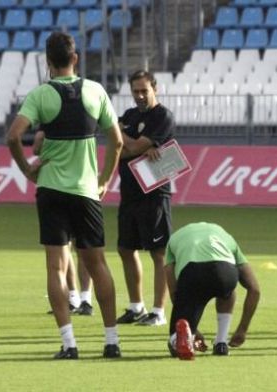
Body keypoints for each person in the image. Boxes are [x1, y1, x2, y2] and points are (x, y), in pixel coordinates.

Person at [7, 31, 123, 359]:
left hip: (52, 191)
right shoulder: (95, 91)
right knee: (98, 264)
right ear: (75, 58)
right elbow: (116, 142)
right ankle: (111, 340)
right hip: (86, 191)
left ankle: (69, 343)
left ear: (47, 62)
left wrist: (28, 170)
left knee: (57, 268)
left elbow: (13, 137)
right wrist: (104, 179)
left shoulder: (41, 95)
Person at [115, 71, 173, 326]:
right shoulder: (130, 116)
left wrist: (123, 137)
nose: (139, 95)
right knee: (126, 248)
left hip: (154, 192)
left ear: (155, 89)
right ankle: (136, 306)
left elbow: (132, 147)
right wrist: (131, 144)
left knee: (158, 252)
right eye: (135, 91)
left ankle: (159, 311)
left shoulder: (162, 116)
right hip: (129, 191)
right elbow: (121, 149)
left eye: (144, 90)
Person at [164, 222, 261, 360]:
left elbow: (174, 291)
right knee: (228, 291)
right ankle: (221, 342)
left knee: (176, 338)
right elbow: (255, 289)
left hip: (193, 273)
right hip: (226, 272)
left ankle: (182, 340)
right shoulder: (227, 238)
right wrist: (242, 330)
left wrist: (192, 326)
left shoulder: (173, 240)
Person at [34, 130, 94, 316]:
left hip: (74, 190)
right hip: (65, 190)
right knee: (68, 249)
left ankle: (83, 299)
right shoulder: (60, 128)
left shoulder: (76, 129)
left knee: (78, 249)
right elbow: (36, 149)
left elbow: (37, 148)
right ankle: (75, 298)